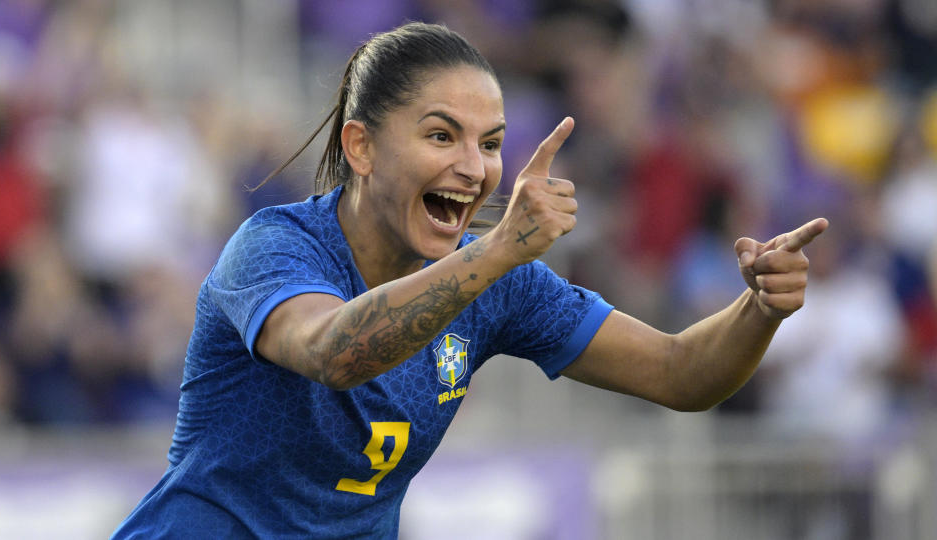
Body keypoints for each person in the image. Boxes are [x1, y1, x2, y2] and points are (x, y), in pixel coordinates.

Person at [111, 22, 828, 539]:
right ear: (361, 146)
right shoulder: (274, 246)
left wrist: (759, 308)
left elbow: (681, 373)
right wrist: (494, 254)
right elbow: (335, 353)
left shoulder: (502, 280)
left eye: (490, 144)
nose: (475, 167)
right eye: (440, 135)